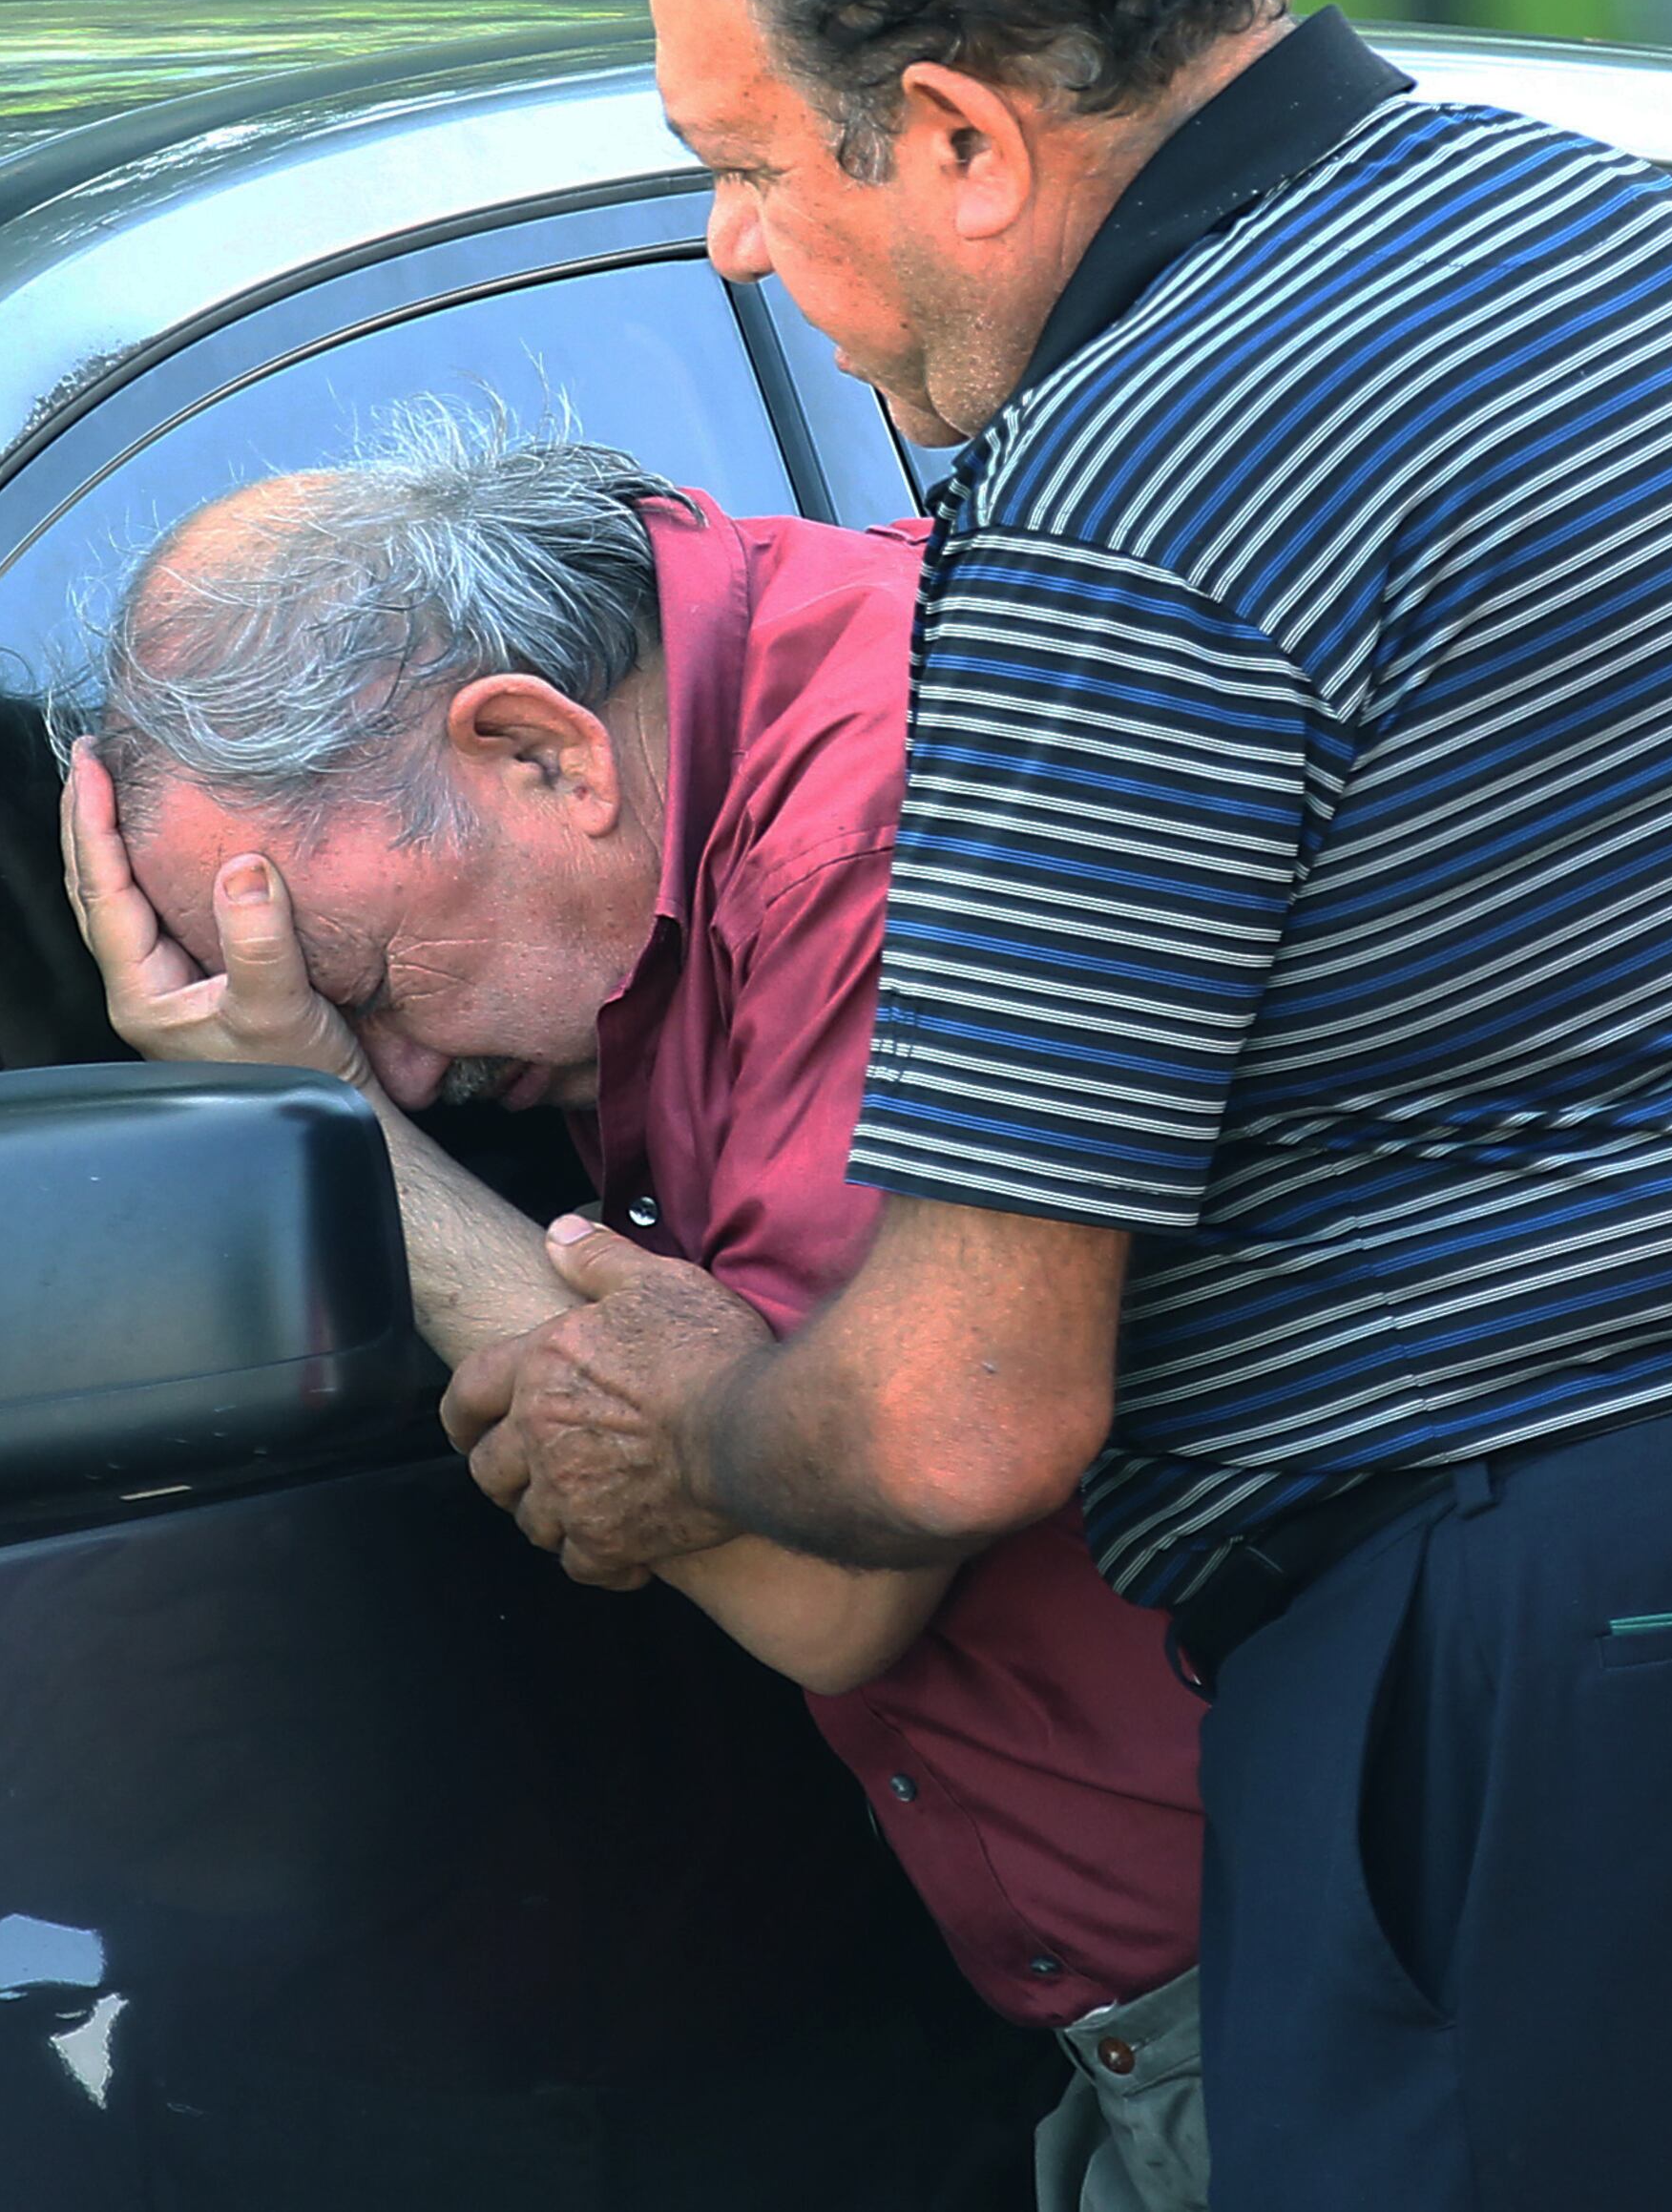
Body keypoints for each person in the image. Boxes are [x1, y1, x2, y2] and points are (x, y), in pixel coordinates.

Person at [439, 0, 1672, 2212]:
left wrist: (680, 1416)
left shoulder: (1136, 486)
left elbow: (959, 1412)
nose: (726, 248)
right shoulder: (1612, 236)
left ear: (953, 135)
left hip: (1588, 1639)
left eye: (742, 156)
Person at [58, 423, 1214, 2211]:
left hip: (1295, 1968)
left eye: (363, 987)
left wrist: (324, 1118)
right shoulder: (695, 753)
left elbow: (837, 1578)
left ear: (538, 749)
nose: (422, 1077)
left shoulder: (867, 820)